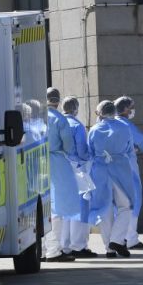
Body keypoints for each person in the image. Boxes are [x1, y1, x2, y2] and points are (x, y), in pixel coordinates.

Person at [88, 101, 135, 258]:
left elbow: (90, 151)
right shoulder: (124, 127)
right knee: (126, 206)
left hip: (100, 171)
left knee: (104, 209)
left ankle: (110, 247)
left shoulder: (94, 130)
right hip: (120, 170)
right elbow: (129, 148)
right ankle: (116, 240)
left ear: (100, 113)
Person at [43, 88, 79, 262]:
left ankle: (41, 249)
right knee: (56, 208)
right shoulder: (60, 119)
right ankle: (54, 249)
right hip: (56, 163)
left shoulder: (35, 118)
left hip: (36, 162)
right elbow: (68, 145)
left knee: (40, 207)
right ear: (58, 101)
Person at [60, 96, 97, 258]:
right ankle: (78, 245)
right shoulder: (77, 126)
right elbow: (82, 151)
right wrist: (90, 158)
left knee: (63, 210)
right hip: (76, 170)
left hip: (59, 170)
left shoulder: (56, 123)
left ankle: (64, 245)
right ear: (76, 108)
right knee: (80, 207)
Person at [114, 96, 143, 250]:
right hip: (128, 167)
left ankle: (119, 238)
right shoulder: (126, 125)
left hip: (110, 169)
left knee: (117, 204)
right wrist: (136, 147)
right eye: (131, 107)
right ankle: (131, 238)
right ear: (124, 109)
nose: (133, 110)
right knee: (133, 201)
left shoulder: (106, 123)